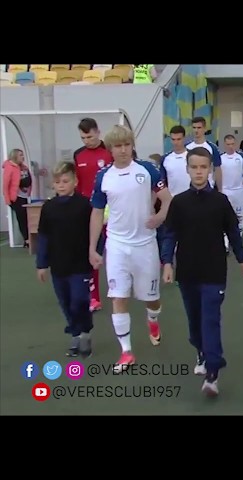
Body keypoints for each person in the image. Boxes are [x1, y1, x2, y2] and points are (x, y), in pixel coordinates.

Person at [161, 147, 243, 397]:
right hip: (187, 272)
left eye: (203, 167)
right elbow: (170, 235)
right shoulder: (179, 202)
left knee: (210, 319)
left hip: (214, 271)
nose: (199, 172)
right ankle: (200, 350)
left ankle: (212, 373)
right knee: (195, 321)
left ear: (210, 169)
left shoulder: (220, 201)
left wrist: (241, 258)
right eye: (194, 167)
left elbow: (233, 231)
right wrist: (167, 263)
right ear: (187, 169)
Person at [88, 125, 173, 372]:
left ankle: (152, 319)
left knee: (152, 299)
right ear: (110, 149)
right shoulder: (103, 177)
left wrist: (160, 216)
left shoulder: (147, 169)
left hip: (145, 245)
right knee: (118, 296)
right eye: (118, 146)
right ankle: (126, 351)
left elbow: (168, 199)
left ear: (132, 146)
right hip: (117, 245)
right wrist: (92, 248)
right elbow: (96, 213)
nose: (123, 150)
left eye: (127, 145)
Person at [36, 161, 93, 357]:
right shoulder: (48, 208)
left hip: (80, 264)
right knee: (66, 302)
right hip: (58, 265)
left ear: (75, 182)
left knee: (79, 301)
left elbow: (95, 232)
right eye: (57, 182)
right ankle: (75, 334)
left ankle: (85, 333)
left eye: (65, 181)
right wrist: (41, 264)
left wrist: (96, 252)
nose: (61, 185)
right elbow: (43, 237)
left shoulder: (85, 205)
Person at [74, 117, 113, 312]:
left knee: (114, 252)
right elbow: (78, 184)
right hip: (89, 212)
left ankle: (119, 288)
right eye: (83, 138)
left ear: (98, 132)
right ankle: (94, 297)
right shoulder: (78, 155)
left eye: (89, 136)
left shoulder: (110, 151)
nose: (86, 141)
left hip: (111, 211)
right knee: (92, 253)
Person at [220, 135, 243, 239]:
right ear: (224, 145)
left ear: (236, 144)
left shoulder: (241, 157)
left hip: (238, 191)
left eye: (232, 144)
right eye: (228, 144)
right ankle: (226, 241)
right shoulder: (220, 158)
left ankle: (238, 238)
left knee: (239, 216)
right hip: (225, 191)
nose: (230, 146)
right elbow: (216, 172)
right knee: (225, 216)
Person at [2, 148, 31, 248]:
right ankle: (26, 240)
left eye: (23, 155)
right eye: (20, 155)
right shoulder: (10, 168)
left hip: (24, 196)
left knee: (27, 217)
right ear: (15, 156)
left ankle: (29, 238)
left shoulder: (24, 167)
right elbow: (5, 185)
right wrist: (7, 200)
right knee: (22, 218)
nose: (23, 157)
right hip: (15, 197)